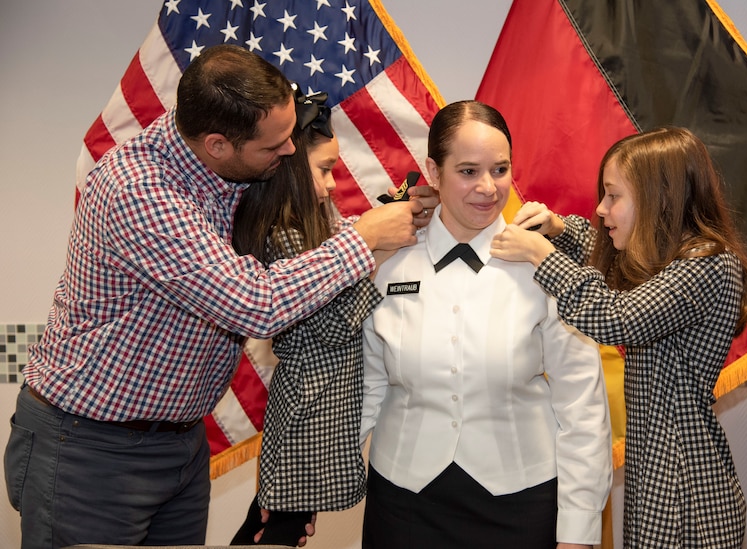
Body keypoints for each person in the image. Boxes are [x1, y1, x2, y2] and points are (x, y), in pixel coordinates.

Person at [3, 44, 431, 549]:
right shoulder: (140, 191)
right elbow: (256, 301)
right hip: (91, 449)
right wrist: (365, 240)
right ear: (217, 144)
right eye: (274, 148)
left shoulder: (234, 167)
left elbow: (302, 244)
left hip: (181, 444)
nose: (290, 152)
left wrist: (398, 217)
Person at [490, 126, 747, 548]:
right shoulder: (673, 261)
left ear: (660, 199)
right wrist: (558, 229)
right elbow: (608, 265)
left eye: (614, 196)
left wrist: (540, 254)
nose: (601, 209)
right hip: (661, 478)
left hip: (684, 491)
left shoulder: (707, 264)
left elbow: (615, 317)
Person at [359, 100, 613, 549]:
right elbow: (367, 387)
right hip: (404, 501)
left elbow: (582, 406)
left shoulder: (545, 264)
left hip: (521, 502)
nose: (488, 187)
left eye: (500, 169)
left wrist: (578, 528)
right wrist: (302, 491)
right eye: (468, 171)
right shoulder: (390, 258)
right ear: (433, 173)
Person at [229, 86, 436, 546]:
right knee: (275, 527)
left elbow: (355, 237)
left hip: (327, 406)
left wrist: (393, 217)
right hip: (309, 409)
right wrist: (375, 253)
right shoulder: (284, 235)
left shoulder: (314, 227)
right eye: (323, 170)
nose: (330, 185)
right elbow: (334, 324)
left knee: (289, 524)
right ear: (286, 169)